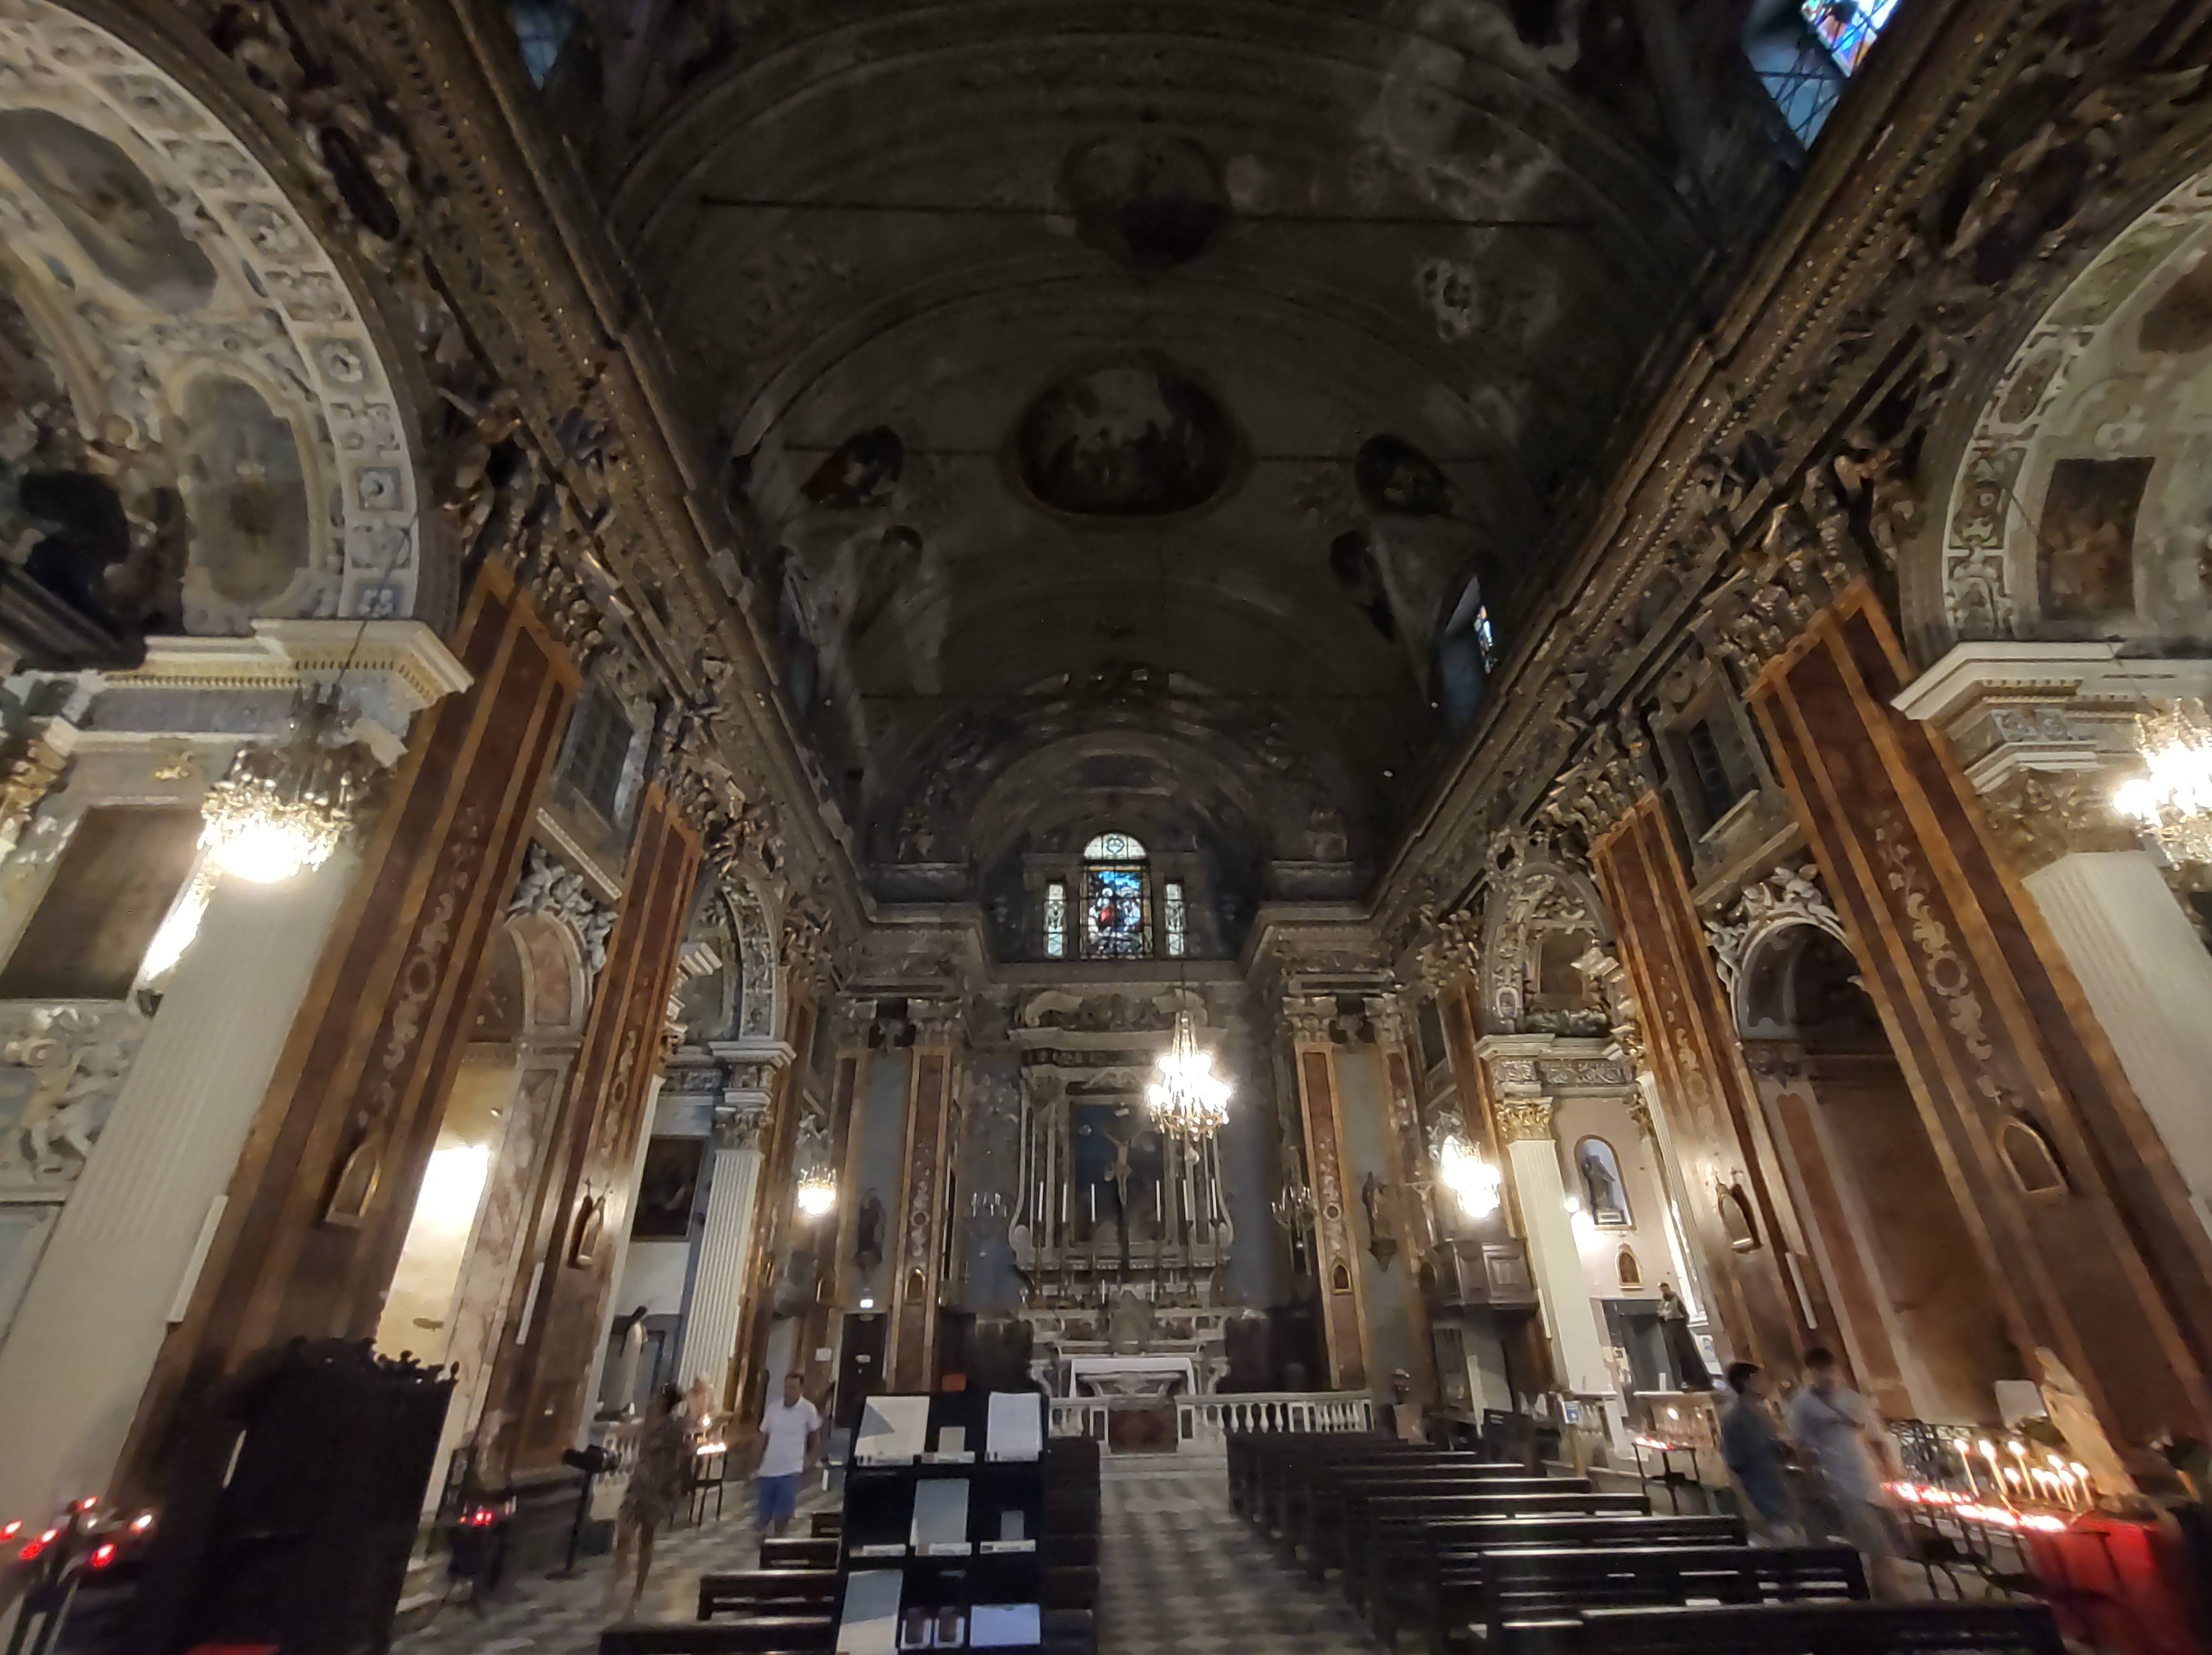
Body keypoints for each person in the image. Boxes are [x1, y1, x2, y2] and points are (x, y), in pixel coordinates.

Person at [1784, 1348, 1904, 1597]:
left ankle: (1884, 1595)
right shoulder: (1803, 1406)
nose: (1827, 1376)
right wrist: (1814, 1481)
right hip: (1839, 1482)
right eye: (1820, 1371)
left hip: (1869, 1478)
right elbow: (1802, 1446)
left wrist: (1890, 1472)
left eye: (1830, 1370)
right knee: (1875, 1546)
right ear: (1811, 1373)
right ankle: (1889, 1597)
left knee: (1884, 1547)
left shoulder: (1852, 1400)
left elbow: (1876, 1437)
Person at [605, 1382, 687, 1619]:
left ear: (666, 1402)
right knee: (625, 1533)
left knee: (646, 1539)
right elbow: (634, 1432)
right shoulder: (650, 1421)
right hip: (639, 1485)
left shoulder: (673, 1428)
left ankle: (637, 1591)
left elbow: (682, 1454)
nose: (654, 1400)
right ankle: (616, 1579)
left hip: (657, 1488)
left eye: (659, 1397)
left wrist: (673, 1486)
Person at [1718, 1361, 1801, 1544]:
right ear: (1748, 1382)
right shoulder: (1736, 1420)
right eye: (1763, 1378)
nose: (1768, 1383)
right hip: (1762, 1499)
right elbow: (1734, 1464)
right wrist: (1749, 1509)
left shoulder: (1763, 1414)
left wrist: (1783, 1449)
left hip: (1780, 1495)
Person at [753, 1370, 823, 1541]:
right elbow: (763, 1435)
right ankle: (762, 1542)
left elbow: (815, 1435)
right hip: (769, 1469)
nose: (788, 1392)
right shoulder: (773, 1409)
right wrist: (755, 1461)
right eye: (786, 1387)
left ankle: (779, 1542)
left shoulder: (808, 1410)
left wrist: (812, 1459)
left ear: (801, 1389)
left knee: (783, 1514)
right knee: (763, 1516)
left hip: (791, 1469)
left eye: (793, 1388)